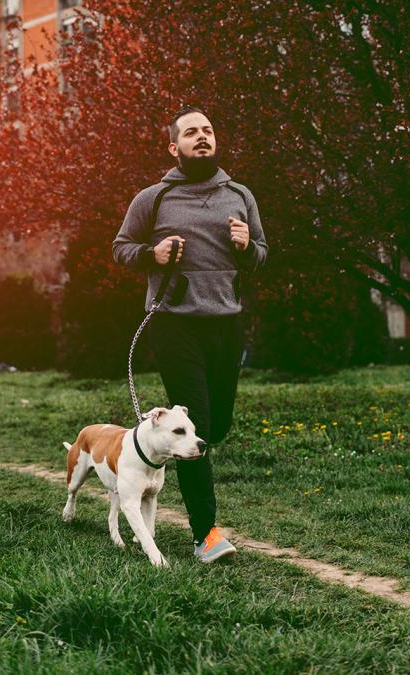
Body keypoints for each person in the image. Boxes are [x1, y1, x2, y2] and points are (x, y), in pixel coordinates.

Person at [111, 105, 268, 563]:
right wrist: (151, 254)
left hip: (226, 322)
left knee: (215, 427)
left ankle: (153, 457)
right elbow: (121, 248)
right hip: (175, 322)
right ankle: (206, 535)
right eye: (191, 132)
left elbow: (261, 255)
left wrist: (246, 247)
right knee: (194, 421)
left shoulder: (239, 195)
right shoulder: (153, 199)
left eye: (208, 131)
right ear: (173, 146)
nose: (202, 137)